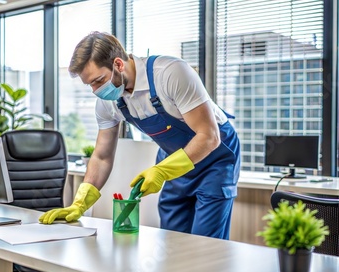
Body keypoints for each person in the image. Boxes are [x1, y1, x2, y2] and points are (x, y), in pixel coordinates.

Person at [39, 31, 240, 240]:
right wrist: (80, 202)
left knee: (205, 243)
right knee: (173, 239)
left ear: (118, 64)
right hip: (174, 160)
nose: (95, 91)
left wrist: (162, 172)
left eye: (98, 81)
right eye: (90, 84)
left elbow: (209, 136)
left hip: (215, 157)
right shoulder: (108, 103)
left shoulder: (171, 73)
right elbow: (102, 156)